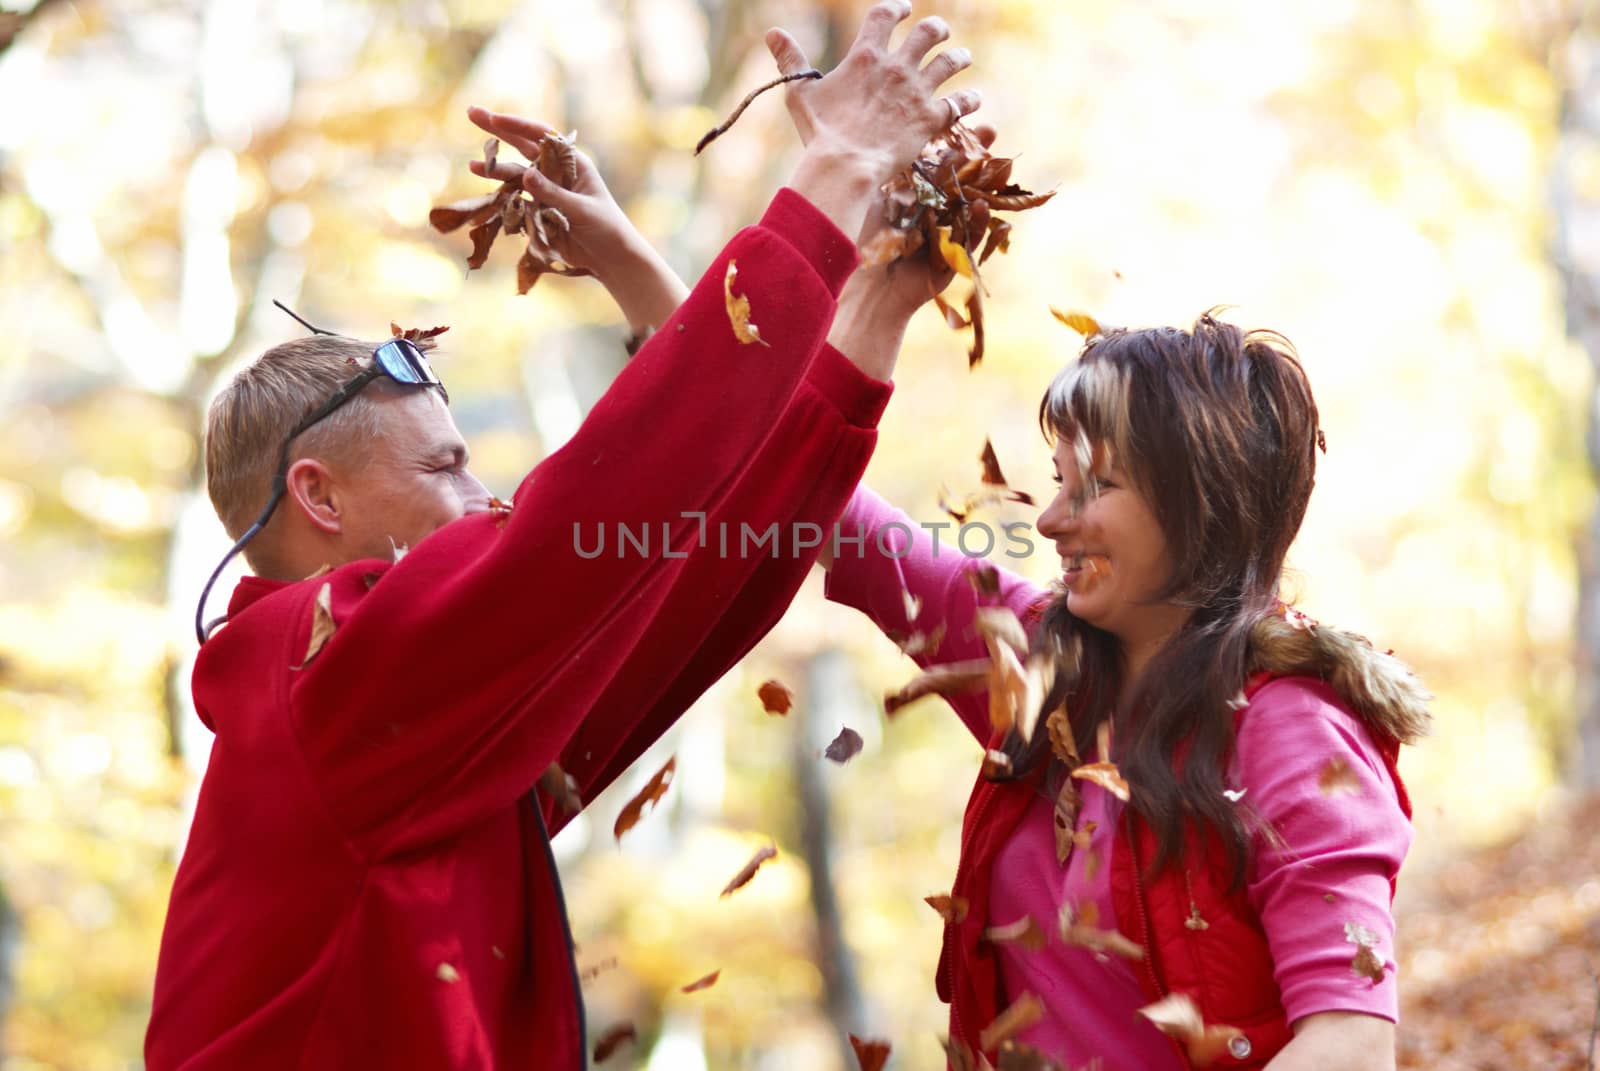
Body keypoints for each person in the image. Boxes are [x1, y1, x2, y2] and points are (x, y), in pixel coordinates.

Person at [144, 3, 982, 1067]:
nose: (485, 499)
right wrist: (839, 171)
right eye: (444, 468)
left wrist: (868, 312)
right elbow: (601, 510)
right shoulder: (325, 673)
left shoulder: (432, 724)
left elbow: (705, 580)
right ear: (318, 499)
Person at [820, 313, 1431, 1069]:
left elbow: (1351, 1040)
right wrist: (633, 260)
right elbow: (816, 481)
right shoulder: (1041, 662)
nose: (1047, 522)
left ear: (1198, 501)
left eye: (1096, 486)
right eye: (1059, 484)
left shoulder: (1291, 730)